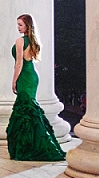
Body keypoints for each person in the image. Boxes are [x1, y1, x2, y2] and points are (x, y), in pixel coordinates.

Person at [6, 14, 66, 161]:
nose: (18, 27)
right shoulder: (33, 41)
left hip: (25, 76)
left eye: (20, 24)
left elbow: (19, 63)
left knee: (27, 109)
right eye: (17, 24)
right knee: (29, 109)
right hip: (32, 76)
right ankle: (33, 144)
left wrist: (14, 81)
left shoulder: (20, 41)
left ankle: (31, 146)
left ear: (27, 25)